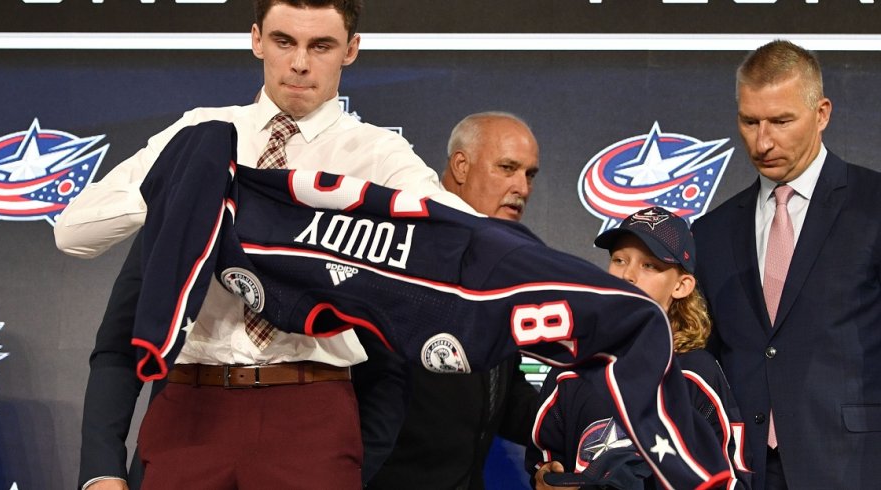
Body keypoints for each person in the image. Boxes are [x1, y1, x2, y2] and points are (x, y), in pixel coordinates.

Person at [56, 1, 473, 488]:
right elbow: (73, 233)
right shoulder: (199, 133)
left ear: (351, 50)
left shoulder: (377, 155)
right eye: (283, 41)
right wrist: (185, 186)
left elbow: (463, 239)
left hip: (309, 413)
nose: (299, 62)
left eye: (320, 46)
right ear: (257, 40)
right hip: (190, 410)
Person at [691, 39, 881, 489]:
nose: (763, 141)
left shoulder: (873, 205)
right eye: (749, 121)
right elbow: (704, 358)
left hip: (855, 463)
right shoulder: (711, 231)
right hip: (745, 469)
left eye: (781, 121)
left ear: (822, 114)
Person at [369, 112, 541, 490]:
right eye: (508, 168)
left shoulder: (500, 267)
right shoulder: (400, 251)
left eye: (529, 174)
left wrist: (576, 419)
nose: (522, 188)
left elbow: (504, 396)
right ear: (461, 166)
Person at [527, 207, 751, 490]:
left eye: (649, 266)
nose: (628, 276)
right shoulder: (573, 370)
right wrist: (546, 478)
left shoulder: (695, 374)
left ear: (681, 285)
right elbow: (543, 461)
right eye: (619, 260)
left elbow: (733, 478)